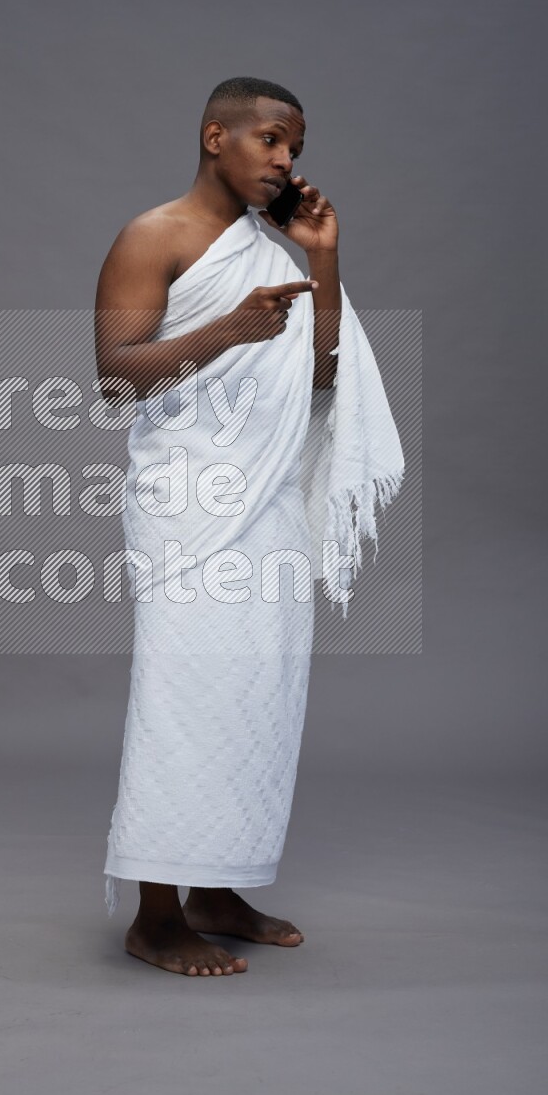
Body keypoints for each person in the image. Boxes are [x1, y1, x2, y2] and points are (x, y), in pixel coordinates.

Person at [94, 76, 401, 978]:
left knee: (258, 697)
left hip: (263, 505)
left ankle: (218, 888)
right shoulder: (152, 236)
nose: (284, 160)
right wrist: (226, 329)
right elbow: (115, 379)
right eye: (270, 139)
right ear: (213, 134)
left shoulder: (276, 248)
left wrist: (323, 259)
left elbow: (318, 378)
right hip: (187, 504)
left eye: (295, 148)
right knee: (185, 700)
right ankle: (155, 914)